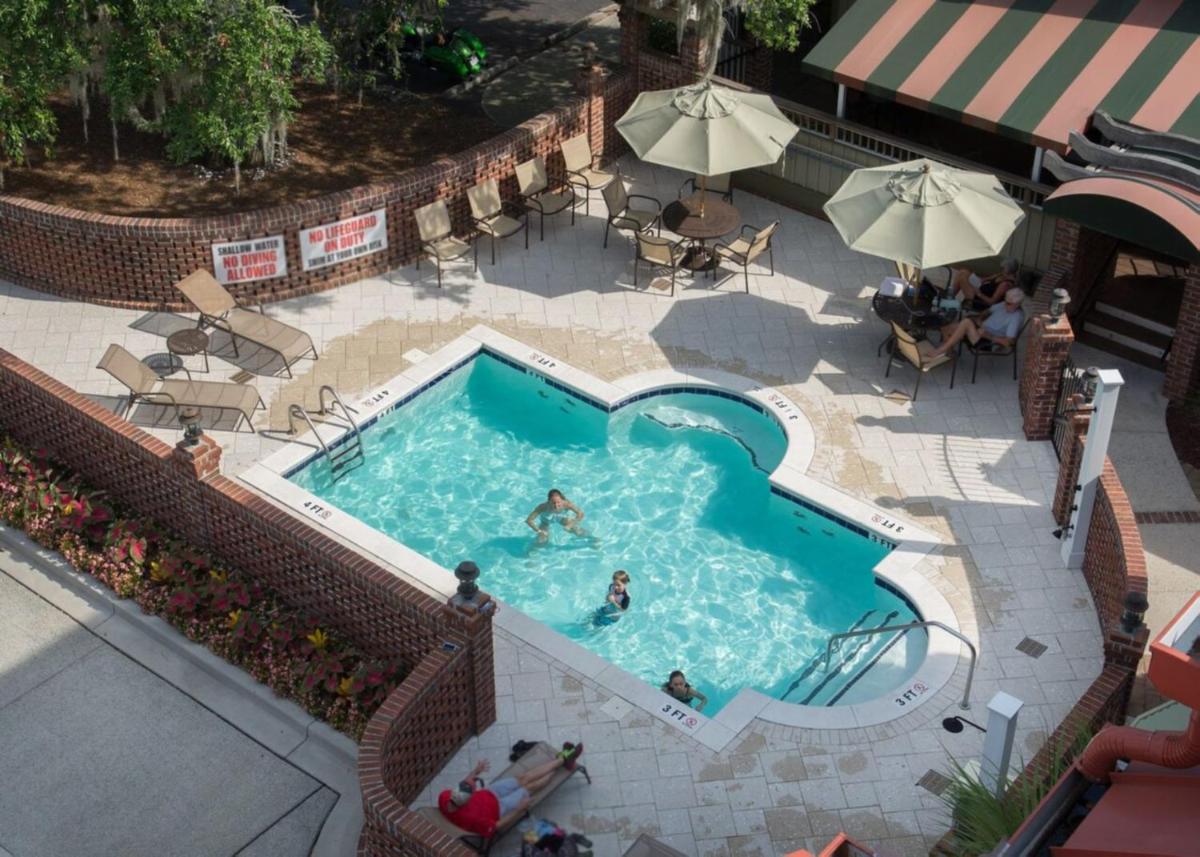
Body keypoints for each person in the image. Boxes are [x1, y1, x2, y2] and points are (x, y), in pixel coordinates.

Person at [438, 743, 585, 840]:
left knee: (523, 778)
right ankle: (561, 764)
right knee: (530, 787)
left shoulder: (444, 796)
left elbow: (466, 782)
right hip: (499, 807)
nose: (472, 783)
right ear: (466, 802)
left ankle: (562, 759)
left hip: (490, 792)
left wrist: (475, 772)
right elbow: (496, 826)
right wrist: (519, 810)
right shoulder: (472, 820)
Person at [928, 287, 1025, 359]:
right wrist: (980, 318)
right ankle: (950, 353)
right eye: (1005, 301)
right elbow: (988, 311)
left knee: (966, 322)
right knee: (946, 327)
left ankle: (940, 351)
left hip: (987, 341)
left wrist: (989, 336)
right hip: (981, 329)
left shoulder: (1016, 318)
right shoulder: (1004, 304)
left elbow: (1009, 343)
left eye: (1009, 304)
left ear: (1017, 304)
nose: (1005, 304)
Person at [950, 257, 1019, 310]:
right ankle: (949, 297)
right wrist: (977, 279)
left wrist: (979, 293)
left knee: (962, 278)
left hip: (981, 301)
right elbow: (983, 280)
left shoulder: (1005, 285)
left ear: (1008, 270)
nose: (1001, 269)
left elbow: (992, 302)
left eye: (1003, 268)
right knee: (964, 271)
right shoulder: (1002, 275)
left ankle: (949, 299)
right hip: (981, 288)